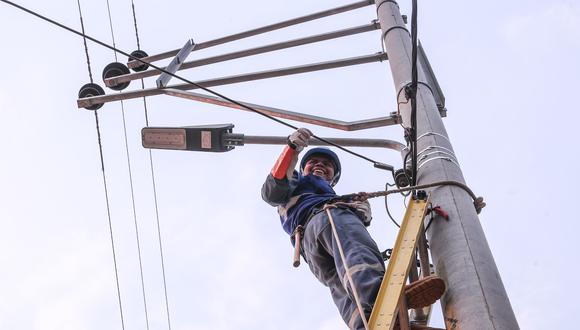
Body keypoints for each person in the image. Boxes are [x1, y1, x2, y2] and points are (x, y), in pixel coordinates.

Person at [261, 128, 445, 330]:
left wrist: (358, 211)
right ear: (303, 168)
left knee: (342, 286)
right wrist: (292, 149)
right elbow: (272, 190)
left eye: (327, 164)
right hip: (326, 219)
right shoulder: (296, 182)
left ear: (333, 177)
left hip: (310, 250)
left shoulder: (328, 196)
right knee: (356, 251)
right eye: (314, 162)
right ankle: (383, 298)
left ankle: (373, 325)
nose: (320, 165)